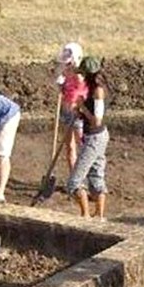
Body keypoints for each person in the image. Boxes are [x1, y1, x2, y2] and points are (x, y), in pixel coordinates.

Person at [66, 56, 109, 219]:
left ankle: (86, 216)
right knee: (96, 176)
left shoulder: (98, 91)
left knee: (74, 182)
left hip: (95, 138)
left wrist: (82, 107)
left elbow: (96, 120)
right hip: (96, 136)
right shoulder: (95, 88)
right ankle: (99, 216)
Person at [56, 42, 88, 171]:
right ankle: (73, 178)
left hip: (78, 115)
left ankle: (85, 176)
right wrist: (59, 84)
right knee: (69, 146)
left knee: (84, 146)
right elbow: (63, 92)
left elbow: (82, 95)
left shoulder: (80, 77)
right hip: (66, 113)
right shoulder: (65, 72)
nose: (66, 65)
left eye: (69, 63)